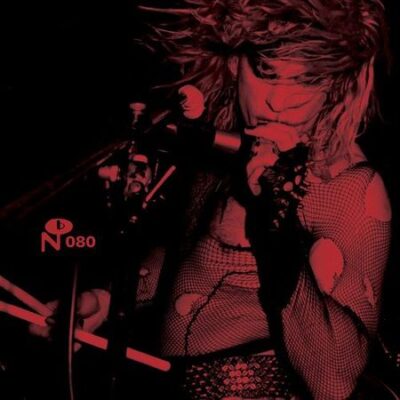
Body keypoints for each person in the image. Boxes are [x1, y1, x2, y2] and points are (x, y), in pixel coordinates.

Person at [31, 0, 393, 399]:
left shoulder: (347, 184)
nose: (280, 102)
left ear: (333, 84)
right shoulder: (225, 153)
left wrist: (276, 227)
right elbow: (196, 259)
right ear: (235, 64)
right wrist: (106, 300)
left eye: (307, 80)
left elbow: (335, 380)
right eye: (267, 73)